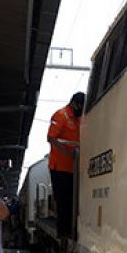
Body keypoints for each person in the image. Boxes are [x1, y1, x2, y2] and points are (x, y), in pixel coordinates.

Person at [47, 91, 84, 237]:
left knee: (72, 199)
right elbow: (51, 138)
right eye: (80, 106)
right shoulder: (61, 115)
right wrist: (68, 153)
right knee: (63, 199)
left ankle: (72, 228)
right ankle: (63, 232)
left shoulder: (79, 119)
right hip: (59, 167)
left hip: (73, 167)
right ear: (74, 104)